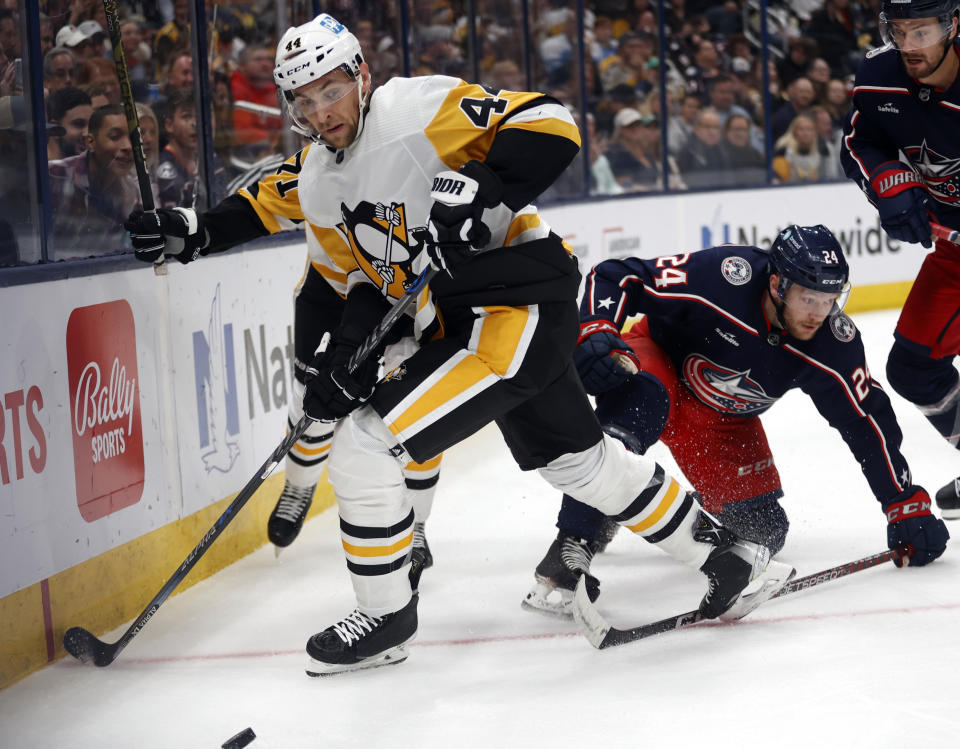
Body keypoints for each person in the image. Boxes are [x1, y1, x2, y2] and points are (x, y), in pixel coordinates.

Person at [124, 13, 793, 676]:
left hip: (518, 297)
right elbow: (362, 280)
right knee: (579, 465)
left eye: (331, 89)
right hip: (474, 316)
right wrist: (340, 358)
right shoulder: (322, 182)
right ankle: (724, 553)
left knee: (365, 441)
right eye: (304, 99)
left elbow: (554, 123)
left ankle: (385, 615)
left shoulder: (413, 111)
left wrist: (483, 186)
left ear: (361, 76)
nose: (322, 110)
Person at [523, 226, 950, 617]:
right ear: (777, 283)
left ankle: (645, 501)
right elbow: (619, 275)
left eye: (829, 299)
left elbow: (865, 423)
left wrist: (902, 501)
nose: (819, 313)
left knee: (766, 532)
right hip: (660, 366)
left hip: (722, 422)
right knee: (638, 410)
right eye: (809, 298)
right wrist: (596, 327)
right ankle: (573, 542)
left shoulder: (832, 345)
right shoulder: (726, 277)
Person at [840, 0, 960, 520]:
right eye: (900, 31)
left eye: (923, 32)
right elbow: (859, 142)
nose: (909, 46)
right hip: (954, 255)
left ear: (953, 25)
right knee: (913, 370)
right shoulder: (879, 75)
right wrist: (887, 183)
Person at [49, 103, 141, 258]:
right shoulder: (54, 175)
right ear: (90, 142)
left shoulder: (133, 193)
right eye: (114, 137)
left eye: (134, 138)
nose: (128, 146)